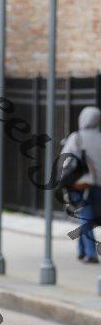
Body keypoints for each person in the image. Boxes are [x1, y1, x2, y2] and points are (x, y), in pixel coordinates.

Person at [61, 106, 101, 263]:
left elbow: (65, 160)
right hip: (98, 185)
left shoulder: (76, 137)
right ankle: (82, 250)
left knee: (85, 216)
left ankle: (90, 253)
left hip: (79, 184)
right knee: (88, 216)